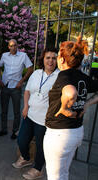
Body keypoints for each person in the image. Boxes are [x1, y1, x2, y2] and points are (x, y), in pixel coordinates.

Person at [43, 37, 98, 180]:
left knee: (54, 176)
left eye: (58, 57)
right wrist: (86, 104)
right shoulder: (83, 77)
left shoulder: (64, 75)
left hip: (59, 135)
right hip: (76, 132)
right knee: (64, 172)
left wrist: (65, 108)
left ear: (62, 59)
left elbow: (70, 92)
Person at [12, 47, 59, 179]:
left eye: (54, 58)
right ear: (43, 59)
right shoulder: (36, 73)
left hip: (45, 120)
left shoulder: (59, 76)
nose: (50, 61)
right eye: (48, 57)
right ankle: (26, 158)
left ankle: (38, 169)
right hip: (30, 115)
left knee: (41, 146)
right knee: (21, 140)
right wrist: (25, 106)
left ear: (57, 60)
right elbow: (27, 91)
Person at [0, 39, 33, 139]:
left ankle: (15, 131)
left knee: (16, 111)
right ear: (8, 47)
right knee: (3, 110)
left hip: (16, 87)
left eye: (15, 45)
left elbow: (30, 68)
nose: (13, 47)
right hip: (5, 86)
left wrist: (22, 81)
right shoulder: (4, 55)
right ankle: (4, 129)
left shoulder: (23, 56)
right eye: (11, 46)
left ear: (17, 46)